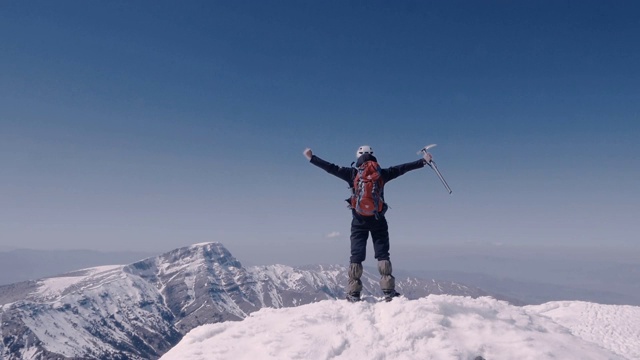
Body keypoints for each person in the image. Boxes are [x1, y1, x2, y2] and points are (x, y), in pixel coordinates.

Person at [303, 145, 432, 302]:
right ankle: (389, 292)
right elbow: (402, 169)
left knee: (356, 256)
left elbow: (331, 168)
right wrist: (422, 161)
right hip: (378, 220)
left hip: (358, 221)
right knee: (383, 253)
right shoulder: (381, 174)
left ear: (358, 156)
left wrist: (312, 158)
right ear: (373, 156)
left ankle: (353, 293)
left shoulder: (352, 174)